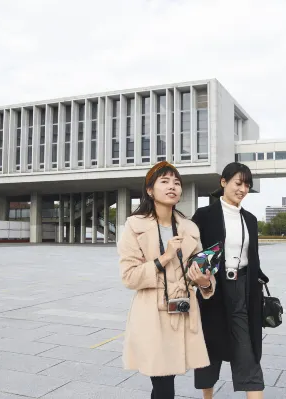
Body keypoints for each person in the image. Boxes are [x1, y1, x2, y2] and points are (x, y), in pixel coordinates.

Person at [118, 161, 216, 399]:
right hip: (152, 313)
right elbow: (129, 276)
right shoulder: (134, 225)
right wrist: (165, 257)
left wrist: (204, 281)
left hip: (183, 311)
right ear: (150, 190)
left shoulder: (189, 228)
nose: (172, 186)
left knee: (166, 380)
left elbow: (201, 272)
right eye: (164, 181)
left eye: (176, 182)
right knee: (162, 383)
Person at [192, 162, 269, 399]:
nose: (243, 189)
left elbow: (252, 258)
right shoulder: (204, 215)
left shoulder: (251, 219)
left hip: (244, 290)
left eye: (247, 185)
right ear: (223, 183)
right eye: (238, 183)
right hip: (213, 289)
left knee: (248, 350)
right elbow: (195, 253)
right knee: (209, 349)